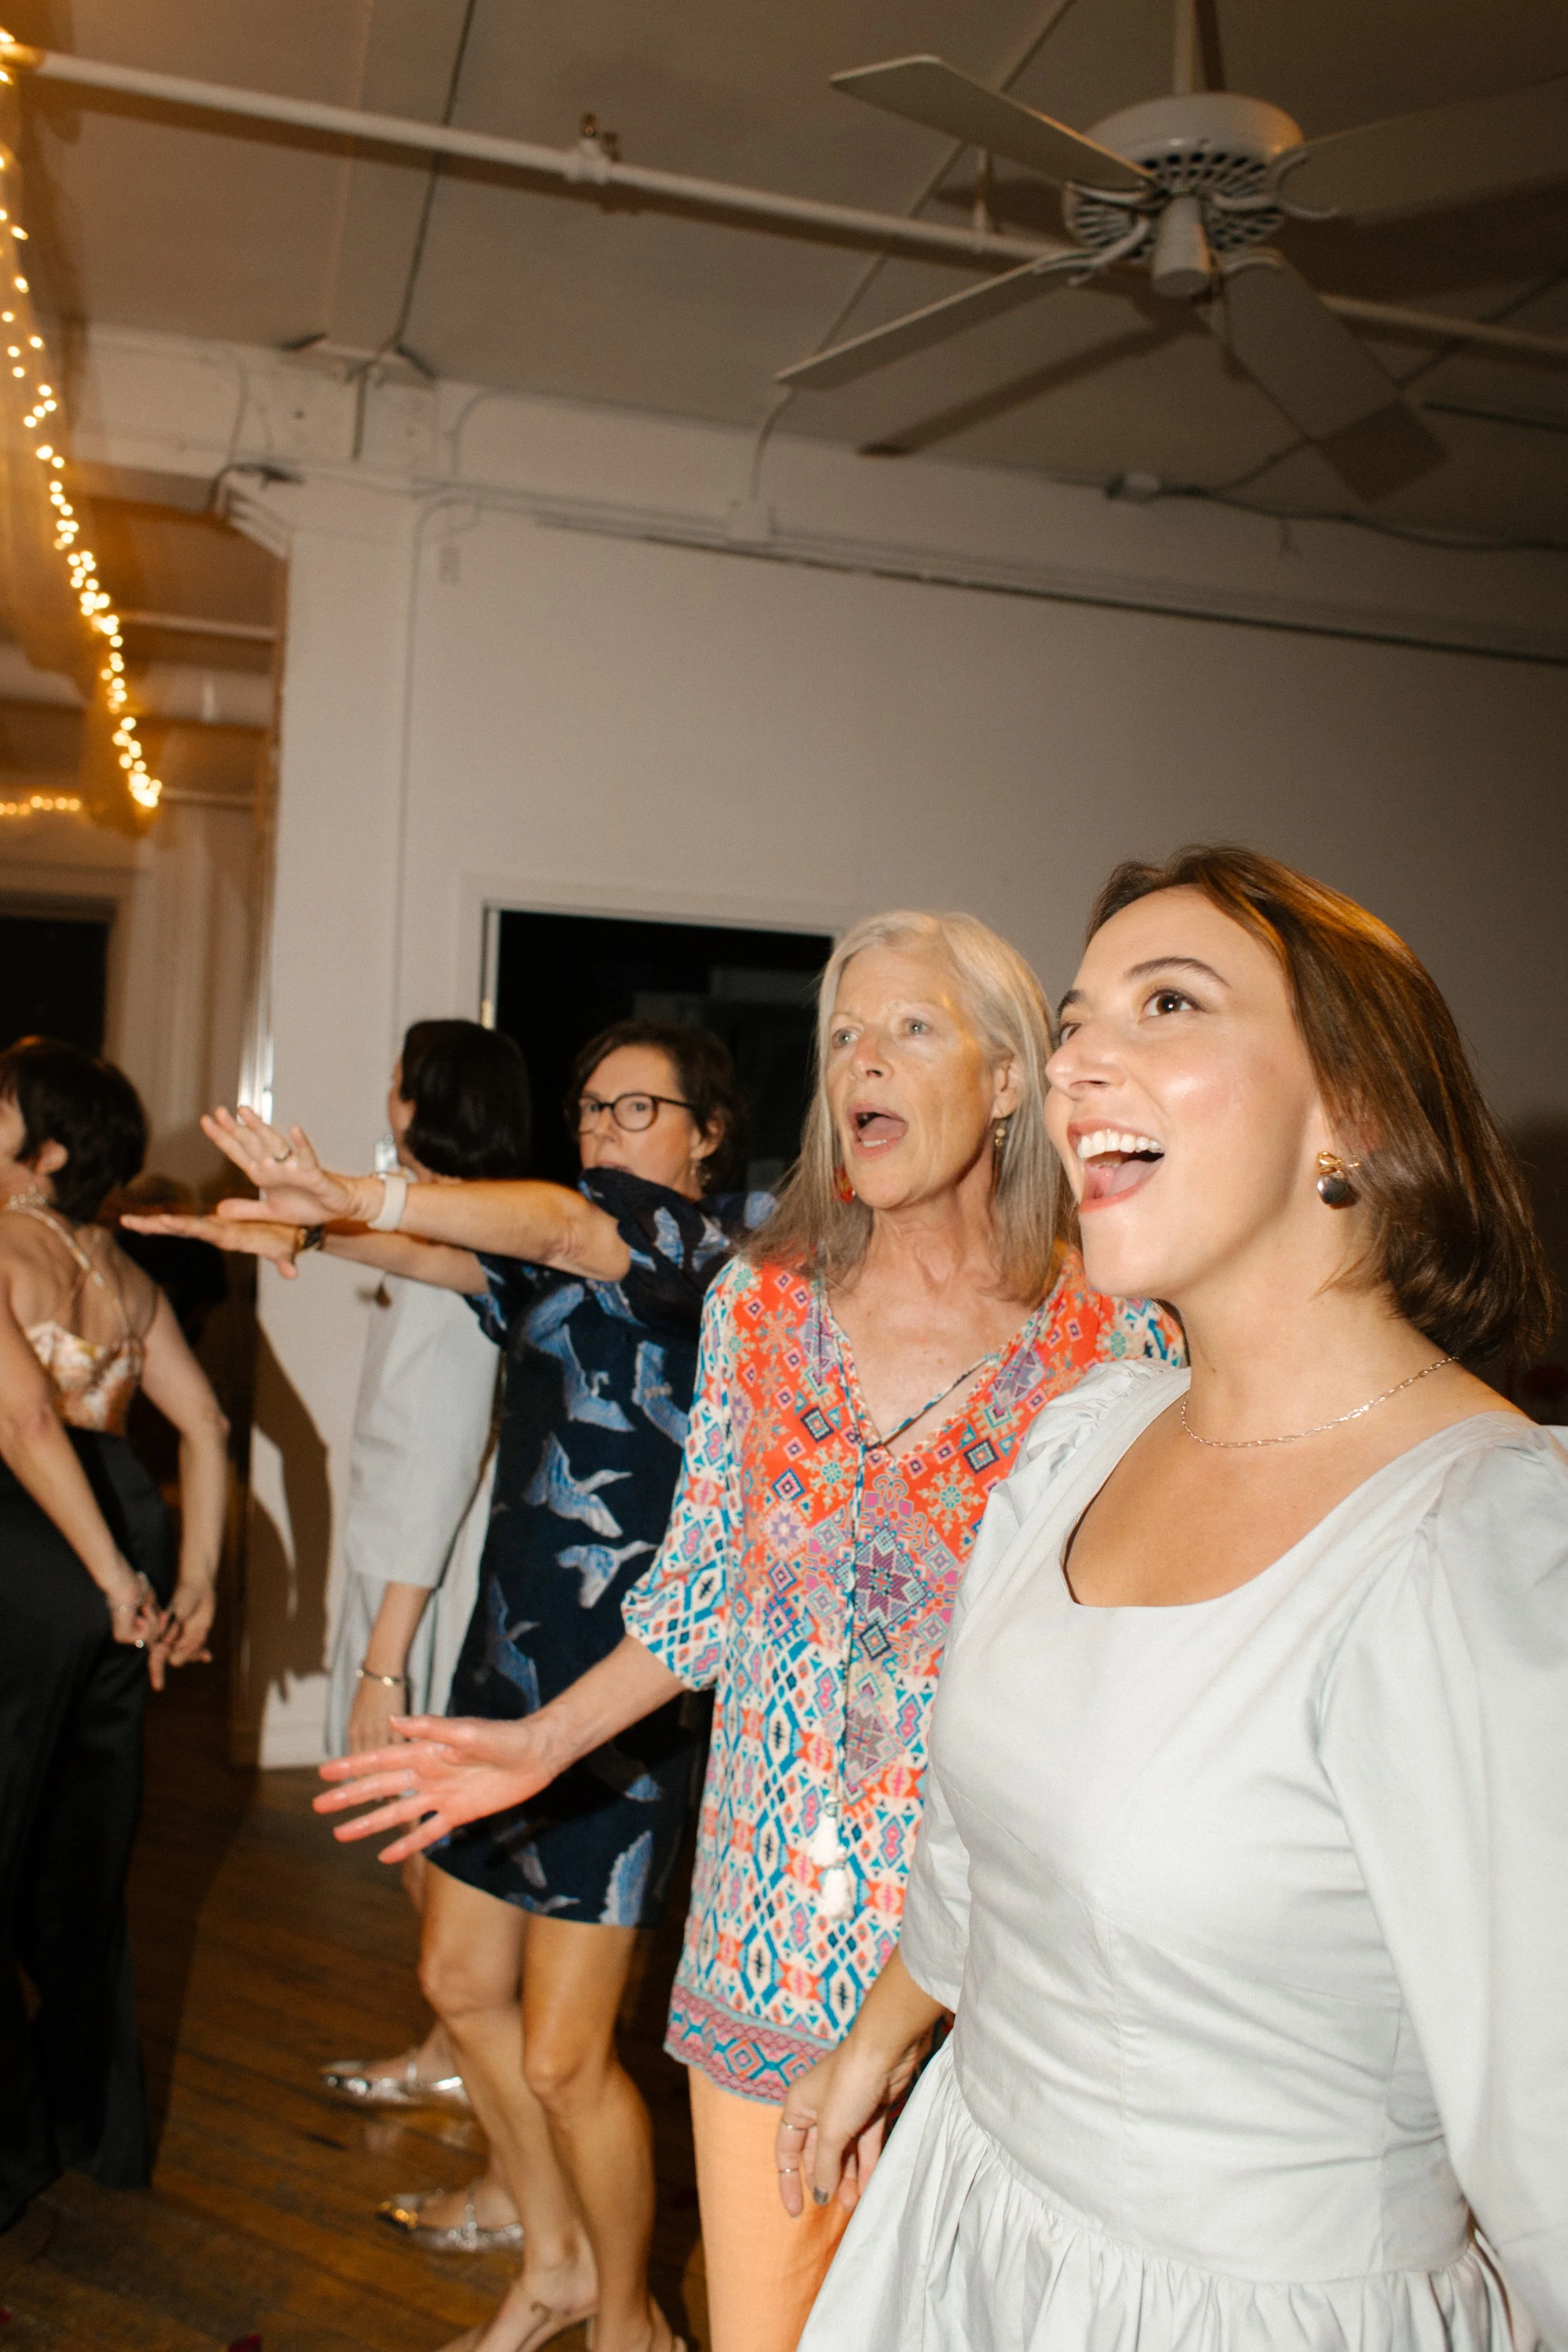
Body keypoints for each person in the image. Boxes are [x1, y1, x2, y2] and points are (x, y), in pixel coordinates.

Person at [315, 910, 1184, 2352]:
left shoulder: (1116, 1341)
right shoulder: (764, 1310)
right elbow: (699, 1598)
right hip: (768, 1946)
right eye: (844, 1032)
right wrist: (536, 1742)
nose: (862, 1059)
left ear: (1014, 1078)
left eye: (909, 1026)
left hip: (1002, 1974)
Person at [771, 848, 1567, 2352]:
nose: (1076, 1064)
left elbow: (1548, 2125)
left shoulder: (1479, 1545)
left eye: (1166, 1003)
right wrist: (878, 2041)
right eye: (1073, 1023)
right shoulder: (1083, 1435)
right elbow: (968, 1844)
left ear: (1354, 1107)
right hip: (959, 2229)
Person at [149, 1019, 763, 2352]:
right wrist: (300, 1232)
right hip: (499, 1679)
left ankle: (630, 2320)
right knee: (459, 1982)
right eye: (590, 1108)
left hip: (622, 1703)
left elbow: (552, 1227)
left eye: (638, 1109)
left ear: (708, 1135)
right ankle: (548, 2261)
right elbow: (454, 1258)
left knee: (563, 2054)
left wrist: (354, 1193)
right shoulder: (555, 1274)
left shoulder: (697, 1262)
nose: (603, 1130)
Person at [0, 1037, 230, 2232]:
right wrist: (185, 1580)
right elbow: (207, 1427)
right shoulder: (126, 1276)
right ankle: (93, 2127)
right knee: (81, 1864)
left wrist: (110, 1582)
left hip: (31, 1549)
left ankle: (13, 2143)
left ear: (42, 1147)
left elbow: (26, 1418)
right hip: (118, 1540)